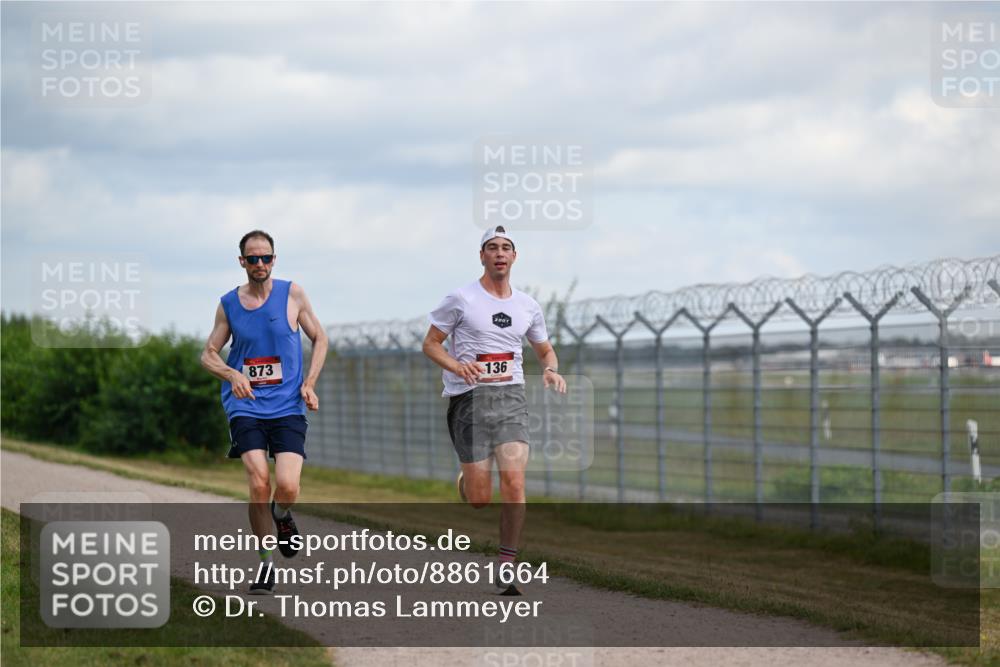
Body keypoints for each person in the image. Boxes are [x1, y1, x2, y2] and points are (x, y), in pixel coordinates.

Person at [422, 225, 567, 596]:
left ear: (514, 257)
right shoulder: (461, 299)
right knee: (480, 498)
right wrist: (457, 366)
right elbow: (431, 344)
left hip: (510, 397)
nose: (499, 253)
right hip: (468, 398)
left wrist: (550, 368)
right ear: (482, 256)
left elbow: (544, 349)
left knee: (515, 482)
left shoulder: (527, 305)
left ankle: (507, 564)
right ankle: (468, 481)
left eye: (506, 248)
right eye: (492, 248)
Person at [200, 230, 328, 594]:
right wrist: (232, 373)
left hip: (288, 406)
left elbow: (320, 337)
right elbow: (208, 353)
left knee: (287, 487)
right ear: (241, 261)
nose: (260, 264)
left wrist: (310, 383)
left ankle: (282, 515)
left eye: (266, 258)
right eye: (252, 259)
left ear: (274, 259)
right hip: (246, 407)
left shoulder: (293, 294)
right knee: (259, 484)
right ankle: (265, 565)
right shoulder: (229, 303)